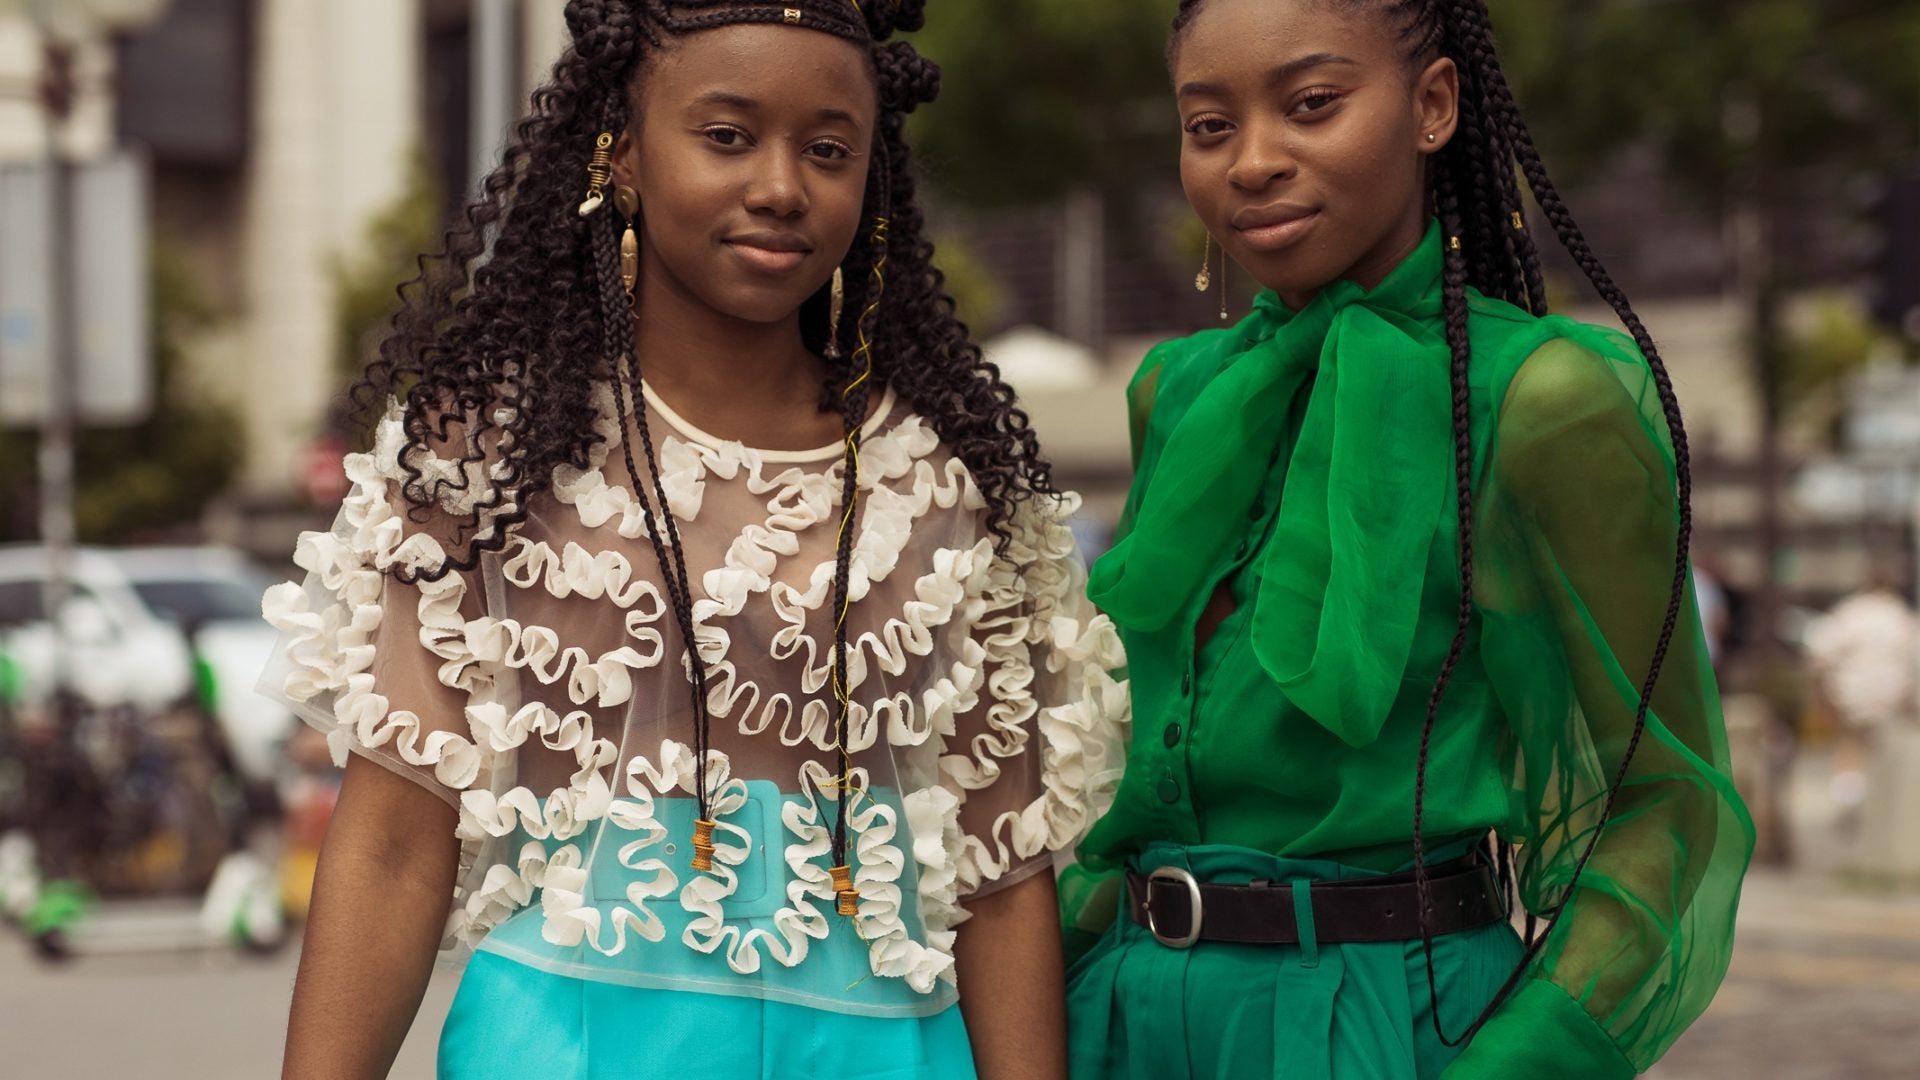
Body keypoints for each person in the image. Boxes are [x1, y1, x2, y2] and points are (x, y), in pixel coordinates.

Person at [260, 3, 1127, 1077]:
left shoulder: (951, 479)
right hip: (570, 1048)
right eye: (727, 136)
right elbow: (392, 845)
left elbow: (1003, 885)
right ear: (619, 156)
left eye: (827, 150)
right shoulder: (491, 457)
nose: (779, 184)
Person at [1060, 1, 1753, 1077]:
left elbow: (1662, 802)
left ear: (1432, 105)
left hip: (1388, 1020)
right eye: (1208, 126)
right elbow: (1139, 775)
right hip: (1121, 1014)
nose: (1252, 162)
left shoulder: (1541, 399)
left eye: (1311, 106)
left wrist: (1516, 1064)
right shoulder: (1174, 394)